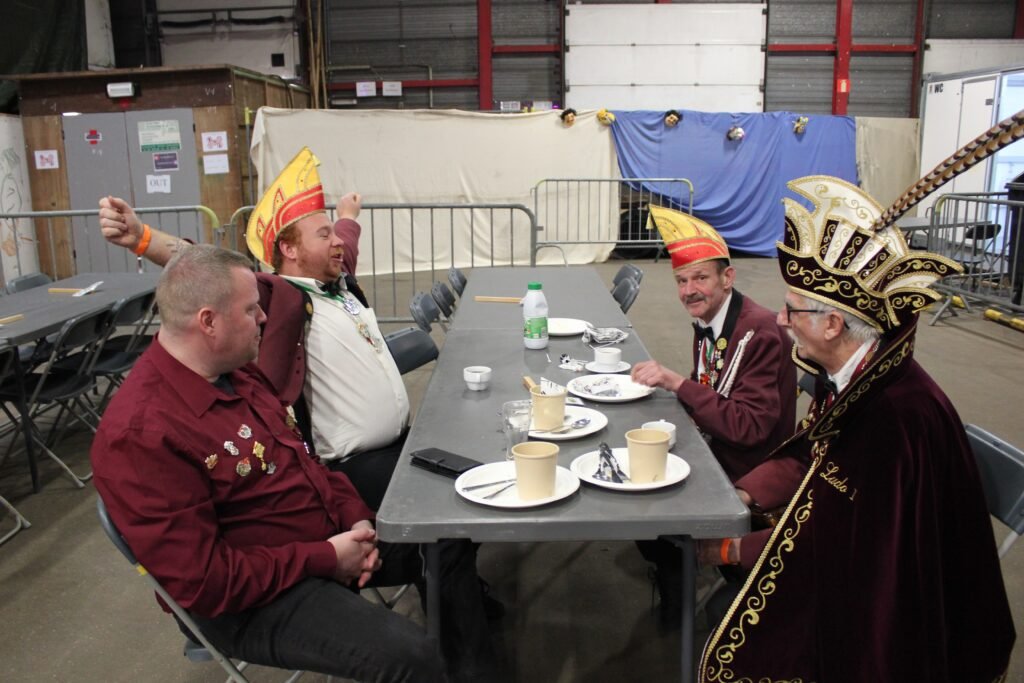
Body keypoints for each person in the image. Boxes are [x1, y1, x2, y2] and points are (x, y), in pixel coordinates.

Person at [90, 244, 497, 682]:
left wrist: (356, 519)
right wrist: (325, 558)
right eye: (251, 309)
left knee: (446, 536)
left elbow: (305, 460)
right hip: (250, 600)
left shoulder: (236, 372)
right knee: (410, 657)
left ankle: (470, 673)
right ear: (208, 322)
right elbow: (205, 583)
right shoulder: (141, 434)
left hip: (320, 540)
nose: (264, 318)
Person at [697, 176, 1015, 682]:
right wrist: (739, 496)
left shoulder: (896, 417)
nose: (780, 320)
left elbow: (849, 545)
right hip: (842, 553)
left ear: (833, 325)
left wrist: (733, 548)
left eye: (793, 309)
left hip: (895, 610)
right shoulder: (856, 374)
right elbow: (812, 456)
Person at [99, 148, 404, 512]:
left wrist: (347, 217)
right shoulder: (280, 295)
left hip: (398, 446)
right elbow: (207, 267)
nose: (337, 241)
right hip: (357, 466)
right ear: (289, 249)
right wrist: (143, 237)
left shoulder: (337, 277)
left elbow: (347, 244)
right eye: (325, 235)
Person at [629, 205, 798, 630]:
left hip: (748, 465)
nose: (689, 291)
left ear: (728, 277)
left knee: (647, 506)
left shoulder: (760, 332)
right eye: (681, 281)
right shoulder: (712, 320)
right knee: (634, 469)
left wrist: (677, 384)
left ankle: (681, 609)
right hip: (715, 446)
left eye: (700, 278)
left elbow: (748, 427)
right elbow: (710, 382)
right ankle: (675, 579)